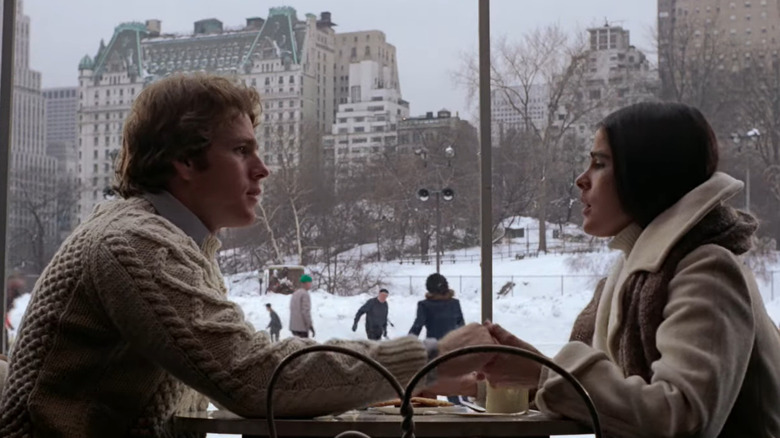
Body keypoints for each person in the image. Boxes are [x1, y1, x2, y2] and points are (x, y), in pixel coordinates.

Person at [0, 73, 497, 437]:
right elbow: (253, 375)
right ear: (184, 161)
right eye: (242, 151)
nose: (264, 169)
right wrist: (433, 356)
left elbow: (229, 373)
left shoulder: (172, 239)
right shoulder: (135, 243)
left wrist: (376, 380)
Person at [469, 102, 780, 437]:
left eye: (599, 163)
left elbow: (681, 419)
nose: (581, 179)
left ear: (646, 173)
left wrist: (544, 373)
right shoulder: (633, 270)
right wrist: (489, 380)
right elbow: (611, 397)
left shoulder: (708, 271)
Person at [409, 273, 466, 404]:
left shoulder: (424, 305)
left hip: (433, 350)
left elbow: (417, 326)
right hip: (453, 349)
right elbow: (462, 326)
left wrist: (405, 345)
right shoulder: (455, 304)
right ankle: (461, 409)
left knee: (429, 388)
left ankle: (429, 415)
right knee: (455, 387)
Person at [289, 274, 315, 338]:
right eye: (310, 282)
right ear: (306, 283)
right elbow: (305, 311)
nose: (311, 284)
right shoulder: (305, 294)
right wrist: (310, 325)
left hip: (294, 327)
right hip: (302, 327)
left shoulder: (295, 293)